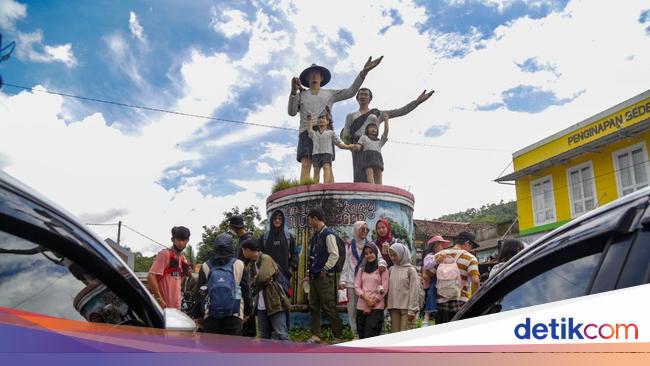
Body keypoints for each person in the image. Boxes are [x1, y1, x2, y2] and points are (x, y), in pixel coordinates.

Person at [288, 57, 383, 183]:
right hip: (307, 131)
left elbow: (350, 91)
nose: (314, 76)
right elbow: (292, 112)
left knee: (327, 166)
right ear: (307, 78)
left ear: (322, 78)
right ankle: (304, 192)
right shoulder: (301, 95)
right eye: (311, 74)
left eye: (317, 74)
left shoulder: (329, 94)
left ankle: (329, 193)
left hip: (325, 132)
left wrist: (363, 72)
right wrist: (294, 91)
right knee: (306, 163)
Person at [341, 87, 434, 182]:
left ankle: (376, 194)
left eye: (366, 94)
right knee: (359, 175)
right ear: (357, 97)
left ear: (370, 98)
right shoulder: (351, 115)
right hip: (358, 146)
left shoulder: (377, 113)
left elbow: (400, 111)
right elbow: (346, 135)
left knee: (375, 173)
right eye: (361, 94)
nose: (363, 96)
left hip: (372, 146)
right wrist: (351, 147)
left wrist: (416, 102)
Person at [193, 234, 250, 336]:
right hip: (235, 314)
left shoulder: (206, 265)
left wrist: (198, 315)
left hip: (210, 315)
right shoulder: (239, 264)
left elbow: (199, 293)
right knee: (232, 349)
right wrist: (247, 312)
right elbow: (246, 291)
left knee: (212, 350)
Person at [339, 221, 387, 338]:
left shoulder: (371, 245)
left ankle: (373, 332)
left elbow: (379, 258)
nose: (365, 231)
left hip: (366, 283)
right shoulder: (350, 245)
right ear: (356, 230)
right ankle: (355, 333)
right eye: (362, 229)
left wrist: (381, 264)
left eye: (367, 229)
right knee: (352, 310)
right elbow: (346, 264)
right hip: (351, 282)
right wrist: (342, 280)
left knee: (368, 307)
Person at [305, 206, 343, 344]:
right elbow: (314, 257)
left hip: (324, 278)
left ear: (315, 218)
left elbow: (334, 254)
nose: (309, 222)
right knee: (314, 306)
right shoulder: (316, 235)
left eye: (310, 219)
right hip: (315, 277)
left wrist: (324, 269)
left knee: (329, 306)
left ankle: (338, 335)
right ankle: (315, 335)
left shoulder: (328, 234)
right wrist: (309, 273)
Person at [241, 238, 291, 341]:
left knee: (281, 334)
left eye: (243, 250)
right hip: (260, 306)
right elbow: (252, 285)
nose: (243, 253)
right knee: (264, 336)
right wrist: (261, 281)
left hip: (275, 302)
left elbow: (262, 277)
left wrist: (258, 280)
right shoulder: (250, 265)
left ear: (247, 250)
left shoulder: (266, 258)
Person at [430, 231, 480, 324]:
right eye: (472, 246)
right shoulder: (470, 258)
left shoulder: (440, 255)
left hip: (441, 301)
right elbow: (475, 282)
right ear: (467, 243)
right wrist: (475, 301)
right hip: (461, 302)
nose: (471, 249)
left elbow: (428, 275)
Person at [306, 110, 359, 183]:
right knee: (316, 170)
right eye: (319, 119)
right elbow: (309, 130)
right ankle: (316, 186)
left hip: (327, 153)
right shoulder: (314, 134)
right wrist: (309, 120)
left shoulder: (331, 133)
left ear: (327, 121)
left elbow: (339, 144)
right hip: (316, 154)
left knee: (326, 167)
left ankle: (326, 184)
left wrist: (348, 146)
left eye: (323, 118)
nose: (321, 120)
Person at [147, 226, 191, 309]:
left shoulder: (184, 260)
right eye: (178, 239)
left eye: (184, 240)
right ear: (172, 240)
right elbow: (151, 277)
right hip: (162, 308)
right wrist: (159, 299)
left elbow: (177, 281)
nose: (181, 243)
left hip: (176, 308)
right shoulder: (165, 254)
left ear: (187, 241)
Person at [228, 215, 257, 337]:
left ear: (235, 228)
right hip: (241, 276)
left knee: (246, 302)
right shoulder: (241, 240)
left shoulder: (248, 239)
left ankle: (249, 333)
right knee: (242, 303)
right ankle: (245, 331)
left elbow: (250, 259)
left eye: (232, 228)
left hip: (246, 276)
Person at [354, 243, 389, 339]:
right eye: (366, 253)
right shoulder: (362, 269)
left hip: (376, 307)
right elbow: (356, 286)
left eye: (371, 252)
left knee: (371, 335)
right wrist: (366, 299)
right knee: (361, 335)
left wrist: (373, 301)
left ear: (376, 253)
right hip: (361, 306)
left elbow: (385, 288)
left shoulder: (382, 269)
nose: (369, 255)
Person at [386, 243, 420, 332]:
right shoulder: (391, 270)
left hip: (407, 309)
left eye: (395, 255)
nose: (393, 258)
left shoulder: (411, 270)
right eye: (391, 255)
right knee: (395, 335)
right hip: (394, 308)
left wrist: (412, 310)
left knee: (405, 335)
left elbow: (414, 290)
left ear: (402, 254)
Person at [421, 235, 451, 326]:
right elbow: (427, 266)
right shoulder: (430, 256)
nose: (442, 247)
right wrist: (436, 261)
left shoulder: (443, 255)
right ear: (436, 244)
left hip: (443, 278)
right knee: (431, 293)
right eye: (441, 244)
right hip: (434, 279)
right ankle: (427, 317)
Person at [357, 117, 388, 184]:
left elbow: (386, 133)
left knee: (379, 175)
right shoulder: (364, 137)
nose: (373, 129)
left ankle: (380, 190)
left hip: (377, 158)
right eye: (371, 127)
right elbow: (359, 146)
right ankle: (372, 188)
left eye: (375, 128)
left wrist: (386, 121)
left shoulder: (380, 141)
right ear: (367, 130)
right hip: (367, 158)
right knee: (370, 175)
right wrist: (356, 147)